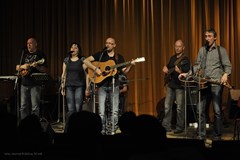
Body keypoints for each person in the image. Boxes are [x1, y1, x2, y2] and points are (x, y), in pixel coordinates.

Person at [83, 37, 135, 135]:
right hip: (102, 86)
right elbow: (86, 61)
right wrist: (95, 69)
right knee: (101, 112)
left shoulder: (118, 57)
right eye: (107, 43)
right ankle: (101, 131)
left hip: (114, 86)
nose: (108, 45)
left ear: (114, 45)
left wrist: (131, 65)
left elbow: (124, 71)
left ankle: (113, 131)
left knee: (114, 111)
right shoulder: (101, 54)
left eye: (110, 43)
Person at [192, 28, 232, 140]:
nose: (207, 38)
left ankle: (217, 136)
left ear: (215, 37)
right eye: (206, 36)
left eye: (209, 36)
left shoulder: (221, 50)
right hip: (204, 83)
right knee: (200, 110)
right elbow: (197, 65)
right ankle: (201, 134)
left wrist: (225, 75)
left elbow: (228, 66)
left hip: (216, 85)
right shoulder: (202, 50)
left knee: (217, 111)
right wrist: (187, 73)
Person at [161, 40, 191, 134]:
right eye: (176, 46)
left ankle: (179, 127)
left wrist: (179, 72)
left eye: (179, 46)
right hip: (171, 85)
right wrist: (165, 68)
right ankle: (166, 126)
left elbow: (188, 74)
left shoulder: (185, 60)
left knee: (180, 108)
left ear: (183, 47)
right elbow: (168, 67)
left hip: (180, 86)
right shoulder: (172, 58)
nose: (177, 48)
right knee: (167, 106)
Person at [16, 37, 48, 120]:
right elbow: (17, 67)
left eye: (30, 43)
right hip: (24, 83)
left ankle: (34, 125)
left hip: (35, 84)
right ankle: (23, 124)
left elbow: (45, 69)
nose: (28, 45)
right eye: (27, 43)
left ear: (35, 44)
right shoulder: (24, 53)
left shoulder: (40, 54)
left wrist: (37, 66)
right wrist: (23, 66)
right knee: (23, 106)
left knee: (35, 107)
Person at [60, 42, 90, 131]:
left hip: (79, 86)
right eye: (72, 47)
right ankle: (70, 129)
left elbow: (87, 75)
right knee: (71, 109)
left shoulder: (82, 59)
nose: (73, 48)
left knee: (78, 108)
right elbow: (63, 74)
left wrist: (87, 88)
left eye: (76, 47)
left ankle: (79, 129)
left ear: (78, 50)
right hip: (69, 86)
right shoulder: (66, 60)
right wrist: (62, 87)